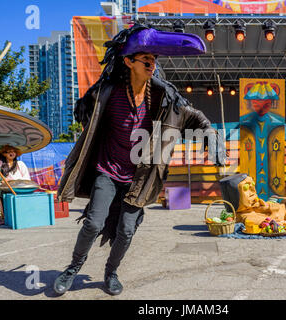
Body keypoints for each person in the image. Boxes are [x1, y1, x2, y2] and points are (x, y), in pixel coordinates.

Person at [53, 24, 225, 296]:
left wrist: (212, 138)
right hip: (106, 171)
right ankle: (73, 268)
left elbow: (193, 116)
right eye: (146, 59)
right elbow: (85, 111)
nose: (152, 65)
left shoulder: (163, 97)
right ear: (129, 61)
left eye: (154, 60)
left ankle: (111, 273)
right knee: (93, 223)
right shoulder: (108, 93)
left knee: (127, 230)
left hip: (139, 177)